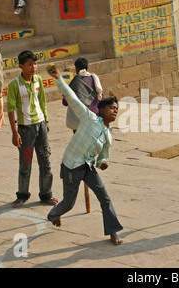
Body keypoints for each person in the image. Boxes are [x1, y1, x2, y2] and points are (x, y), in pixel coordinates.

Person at [46, 65, 123, 246]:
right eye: (112, 108)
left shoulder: (107, 134)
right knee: (69, 204)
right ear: (102, 110)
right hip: (71, 165)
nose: (115, 111)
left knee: (105, 198)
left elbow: (104, 155)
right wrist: (58, 78)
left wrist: (103, 162)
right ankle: (54, 214)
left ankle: (113, 232)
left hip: (87, 167)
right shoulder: (89, 118)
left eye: (117, 109)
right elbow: (72, 99)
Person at [6, 50, 58, 208]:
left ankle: (46, 194)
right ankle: (22, 195)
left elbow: (42, 101)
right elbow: (10, 109)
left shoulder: (38, 80)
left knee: (45, 161)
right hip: (25, 129)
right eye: (30, 64)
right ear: (21, 66)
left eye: (35, 63)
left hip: (41, 126)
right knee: (25, 163)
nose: (33, 67)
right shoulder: (14, 85)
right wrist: (15, 132)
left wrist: (46, 121)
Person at [62, 57, 103, 133]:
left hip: (80, 120)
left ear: (77, 69)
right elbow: (101, 98)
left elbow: (65, 102)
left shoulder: (75, 82)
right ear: (87, 67)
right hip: (94, 118)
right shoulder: (95, 80)